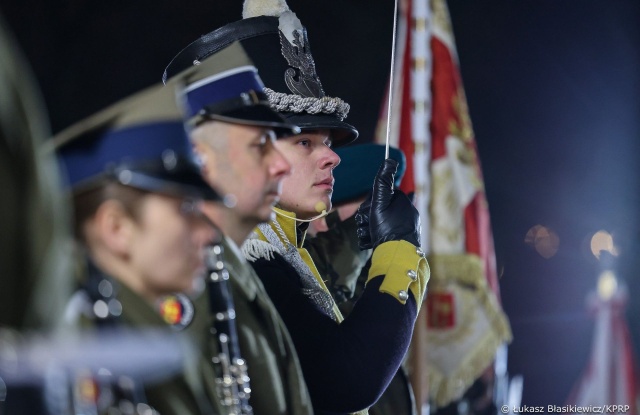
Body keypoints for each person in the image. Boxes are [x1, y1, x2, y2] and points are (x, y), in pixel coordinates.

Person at [163, 3, 430, 414]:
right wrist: (397, 247)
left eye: (326, 143)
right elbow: (346, 379)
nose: (332, 158)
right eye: (305, 143)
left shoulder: (281, 256)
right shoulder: (246, 264)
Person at [55, 81, 225, 415]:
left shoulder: (135, 330)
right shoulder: (83, 355)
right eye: (187, 209)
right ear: (116, 228)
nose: (209, 233)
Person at [165, 41, 314, 415]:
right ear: (201, 161)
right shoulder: (186, 284)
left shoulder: (234, 270)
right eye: (260, 145)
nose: (281, 165)